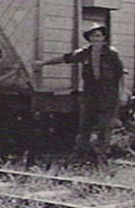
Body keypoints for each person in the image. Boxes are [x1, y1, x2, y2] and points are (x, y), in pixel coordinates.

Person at [32, 23, 124, 162]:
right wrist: (43, 63)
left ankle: (101, 155)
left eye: (98, 36)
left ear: (104, 37)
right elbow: (65, 58)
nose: (96, 39)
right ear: (89, 39)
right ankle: (80, 153)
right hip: (90, 93)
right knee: (85, 124)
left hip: (108, 94)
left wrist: (121, 94)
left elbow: (120, 74)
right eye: (93, 36)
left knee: (105, 126)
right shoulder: (85, 52)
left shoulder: (112, 53)